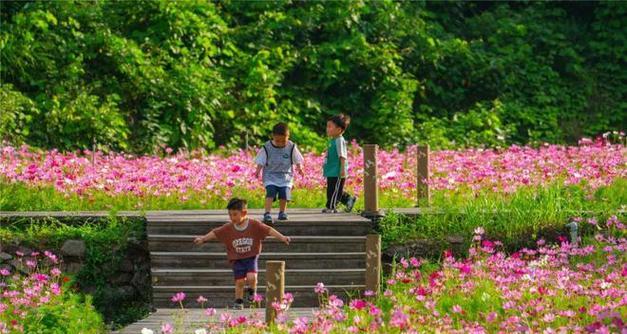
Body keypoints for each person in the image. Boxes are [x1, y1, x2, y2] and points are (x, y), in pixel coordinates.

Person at [193, 198, 290, 309]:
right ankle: (238, 301)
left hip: (251, 257)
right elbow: (215, 233)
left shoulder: (254, 224)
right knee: (239, 282)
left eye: (235, 215)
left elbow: (268, 230)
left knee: (251, 277)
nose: (232, 218)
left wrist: (282, 237)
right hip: (237, 259)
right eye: (230, 215)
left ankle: (252, 291)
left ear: (244, 213)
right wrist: (203, 239)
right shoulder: (228, 228)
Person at [254, 122, 304, 223]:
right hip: (270, 175)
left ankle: (282, 212)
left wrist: (300, 168)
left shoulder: (291, 146)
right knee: (270, 192)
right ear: (273, 136)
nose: (281, 143)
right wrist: (258, 170)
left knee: (284, 193)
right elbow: (261, 160)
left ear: (288, 137)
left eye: (283, 141)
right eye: (278, 141)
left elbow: (297, 159)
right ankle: (267, 213)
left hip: (286, 176)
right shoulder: (267, 147)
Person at [322, 114, 357, 213]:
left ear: (339, 129)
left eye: (330, 126)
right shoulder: (332, 140)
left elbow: (342, 156)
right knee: (335, 189)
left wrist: (342, 169)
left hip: (337, 170)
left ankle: (331, 207)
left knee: (333, 190)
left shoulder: (339, 140)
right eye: (327, 126)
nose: (327, 129)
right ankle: (349, 199)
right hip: (331, 170)